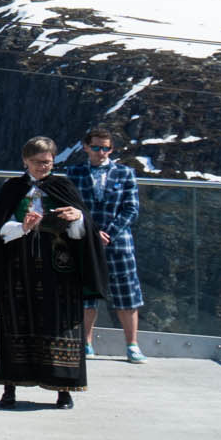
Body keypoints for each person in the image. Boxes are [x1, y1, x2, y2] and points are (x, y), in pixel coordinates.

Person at [0, 138, 89, 410]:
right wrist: (22, 227)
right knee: (17, 321)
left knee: (59, 323)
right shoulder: (12, 188)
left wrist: (77, 217)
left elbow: (82, 231)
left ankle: (63, 388)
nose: (43, 167)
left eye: (48, 162)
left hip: (59, 267)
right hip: (19, 265)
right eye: (37, 162)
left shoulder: (64, 187)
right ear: (25, 162)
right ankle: (10, 388)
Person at [75, 126, 147, 363]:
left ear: (111, 149)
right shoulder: (75, 173)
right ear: (86, 147)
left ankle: (132, 345)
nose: (101, 152)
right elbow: (71, 206)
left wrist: (109, 232)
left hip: (119, 243)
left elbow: (131, 208)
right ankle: (85, 343)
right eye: (96, 147)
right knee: (86, 294)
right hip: (85, 240)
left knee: (127, 293)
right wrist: (92, 232)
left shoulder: (125, 174)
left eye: (105, 148)